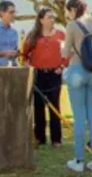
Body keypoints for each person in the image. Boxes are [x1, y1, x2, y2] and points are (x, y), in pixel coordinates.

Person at [62, 0, 92, 174]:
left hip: (76, 70)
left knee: (79, 117)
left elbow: (66, 53)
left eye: (69, 11)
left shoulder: (72, 25)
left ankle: (79, 160)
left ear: (73, 9)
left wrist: (69, 49)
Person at [23, 8, 66, 148]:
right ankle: (39, 138)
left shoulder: (61, 34)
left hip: (54, 74)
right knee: (38, 106)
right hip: (38, 74)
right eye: (49, 17)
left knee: (54, 106)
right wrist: (28, 65)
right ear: (41, 20)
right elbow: (25, 54)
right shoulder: (33, 36)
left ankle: (56, 139)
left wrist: (62, 66)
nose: (52, 19)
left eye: (53, 17)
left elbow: (67, 53)